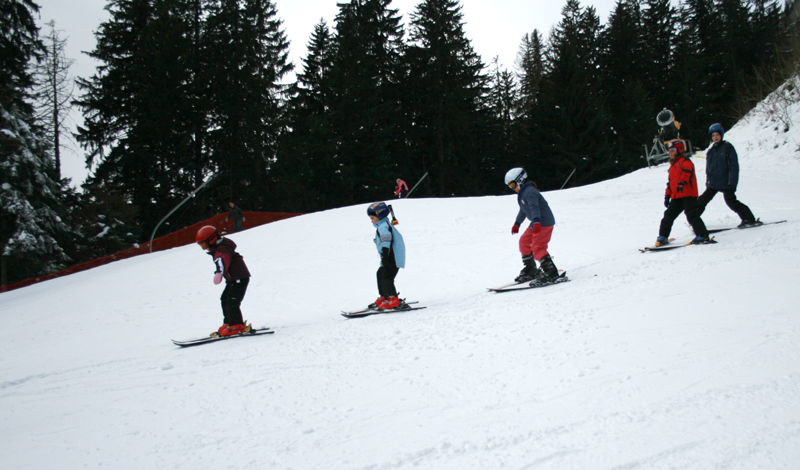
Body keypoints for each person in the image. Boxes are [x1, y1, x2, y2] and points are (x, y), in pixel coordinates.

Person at [698, 123, 760, 228]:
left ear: (721, 135)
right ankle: (694, 219)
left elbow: (734, 166)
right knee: (702, 200)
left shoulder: (728, 147)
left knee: (731, 201)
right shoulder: (711, 151)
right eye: (713, 135)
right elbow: (709, 168)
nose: (715, 137)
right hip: (713, 182)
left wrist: (732, 182)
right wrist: (708, 180)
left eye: (717, 135)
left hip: (726, 182)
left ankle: (748, 218)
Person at [505, 167, 559, 284]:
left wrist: (537, 221)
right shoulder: (523, 193)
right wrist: (517, 223)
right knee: (524, 242)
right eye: (510, 186)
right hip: (536, 222)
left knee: (537, 247)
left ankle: (551, 272)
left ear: (520, 180)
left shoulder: (530, 192)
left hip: (543, 223)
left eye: (513, 185)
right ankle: (531, 270)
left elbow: (535, 208)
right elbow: (524, 210)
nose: (513, 188)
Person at [195, 225, 252, 337]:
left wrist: (219, 272)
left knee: (232, 301)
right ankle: (229, 323)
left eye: (203, 243)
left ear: (212, 239)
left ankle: (237, 325)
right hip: (233, 279)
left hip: (239, 277)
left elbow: (223, 260)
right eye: (200, 244)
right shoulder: (218, 247)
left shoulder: (222, 249)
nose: (202, 247)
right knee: (225, 299)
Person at [655, 139, 712, 246]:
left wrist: (682, 184)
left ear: (680, 149)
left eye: (672, 151)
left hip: (688, 195)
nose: (670, 153)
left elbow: (686, 175)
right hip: (677, 196)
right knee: (668, 216)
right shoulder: (672, 166)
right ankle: (663, 236)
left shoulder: (686, 162)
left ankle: (702, 235)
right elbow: (670, 183)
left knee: (692, 215)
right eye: (669, 151)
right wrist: (667, 195)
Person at [366, 202, 406, 310]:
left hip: (392, 256)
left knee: (386, 277)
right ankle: (384, 296)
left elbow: (386, 239)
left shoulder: (383, 226)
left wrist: (385, 251)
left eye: (373, 218)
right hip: (389, 256)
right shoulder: (383, 225)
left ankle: (392, 299)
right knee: (380, 274)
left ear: (380, 215)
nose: (372, 221)